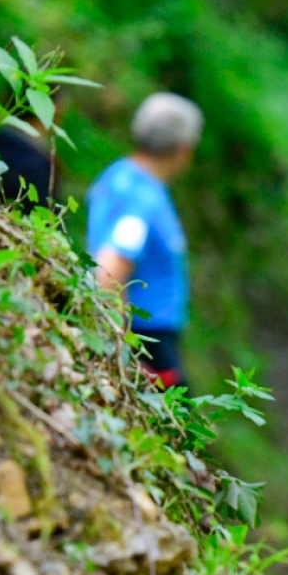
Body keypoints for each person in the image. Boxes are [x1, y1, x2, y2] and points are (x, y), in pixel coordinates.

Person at [87, 92, 202, 388]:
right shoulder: (142, 199)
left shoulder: (117, 176)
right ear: (183, 149)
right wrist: (119, 353)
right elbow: (110, 270)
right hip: (147, 345)